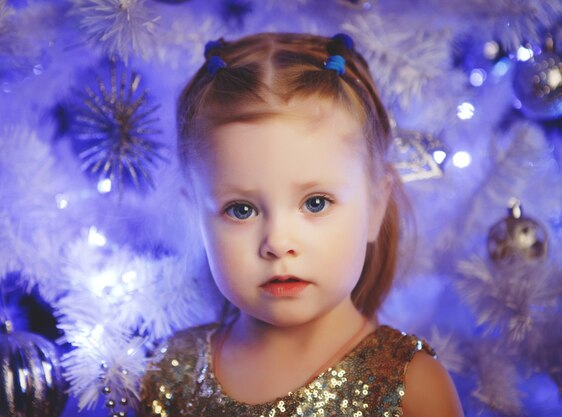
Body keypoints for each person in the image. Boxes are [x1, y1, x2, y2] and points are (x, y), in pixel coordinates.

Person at [138, 32, 464, 417]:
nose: (278, 242)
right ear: (196, 218)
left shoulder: (413, 387)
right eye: (241, 210)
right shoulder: (170, 373)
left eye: (315, 203)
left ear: (375, 207)